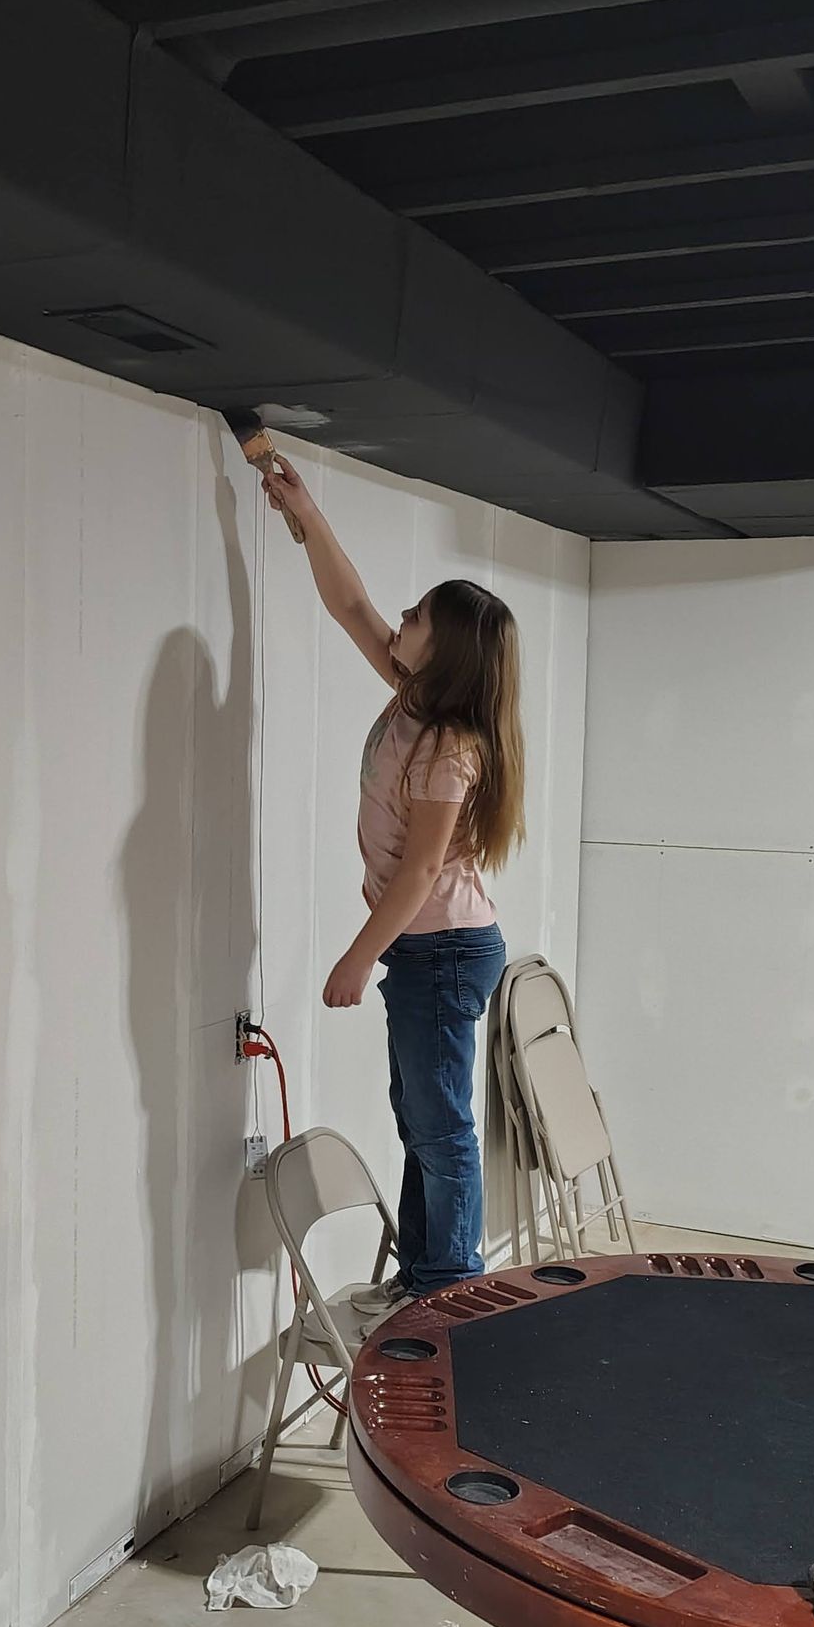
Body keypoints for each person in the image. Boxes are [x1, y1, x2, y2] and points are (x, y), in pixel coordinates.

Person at [260, 453, 524, 1308]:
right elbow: (348, 604)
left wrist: (352, 959)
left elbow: (417, 877)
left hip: (441, 948)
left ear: (441, 650)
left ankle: (447, 1293)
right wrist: (306, 511)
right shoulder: (413, 698)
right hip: (425, 949)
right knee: (420, 1119)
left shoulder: (450, 748)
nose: (398, 620)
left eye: (415, 617)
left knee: (442, 1129)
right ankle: (428, 1275)